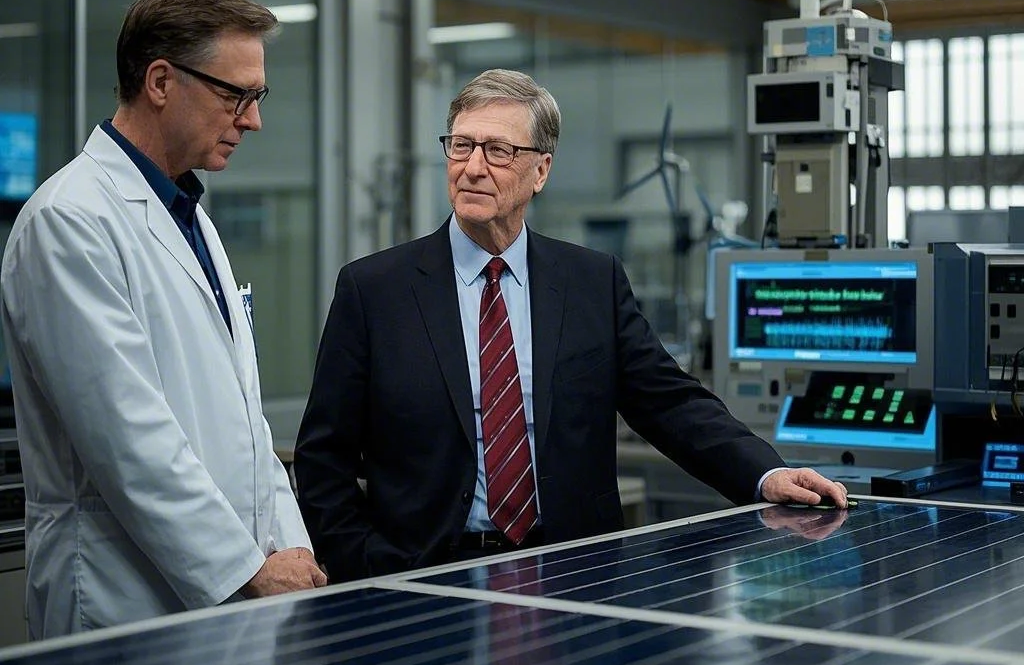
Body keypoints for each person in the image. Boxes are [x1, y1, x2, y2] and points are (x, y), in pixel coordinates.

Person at [294, 69, 849, 583]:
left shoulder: (591, 282)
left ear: (541, 170)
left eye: (498, 150)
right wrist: (365, 564)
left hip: (574, 572)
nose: (473, 167)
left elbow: (670, 402)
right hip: (422, 579)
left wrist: (765, 475)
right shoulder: (375, 290)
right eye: (461, 145)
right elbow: (324, 455)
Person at [0, 0, 327, 639]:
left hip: (230, 589)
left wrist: (290, 545)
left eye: (258, 97)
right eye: (237, 96)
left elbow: (245, 418)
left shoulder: (190, 217)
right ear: (159, 82)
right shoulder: (70, 221)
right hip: (119, 596)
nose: (253, 120)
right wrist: (247, 568)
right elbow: (129, 438)